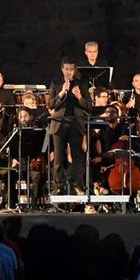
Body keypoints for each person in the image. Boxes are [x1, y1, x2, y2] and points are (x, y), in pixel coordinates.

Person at [48, 58, 91, 194]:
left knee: (77, 157)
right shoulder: (56, 84)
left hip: (75, 124)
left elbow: (89, 106)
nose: (68, 72)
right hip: (59, 124)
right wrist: (61, 92)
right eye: (66, 69)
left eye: (71, 70)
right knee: (59, 158)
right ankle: (58, 186)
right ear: (62, 69)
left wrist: (79, 97)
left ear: (74, 70)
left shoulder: (81, 84)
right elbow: (50, 105)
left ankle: (77, 185)